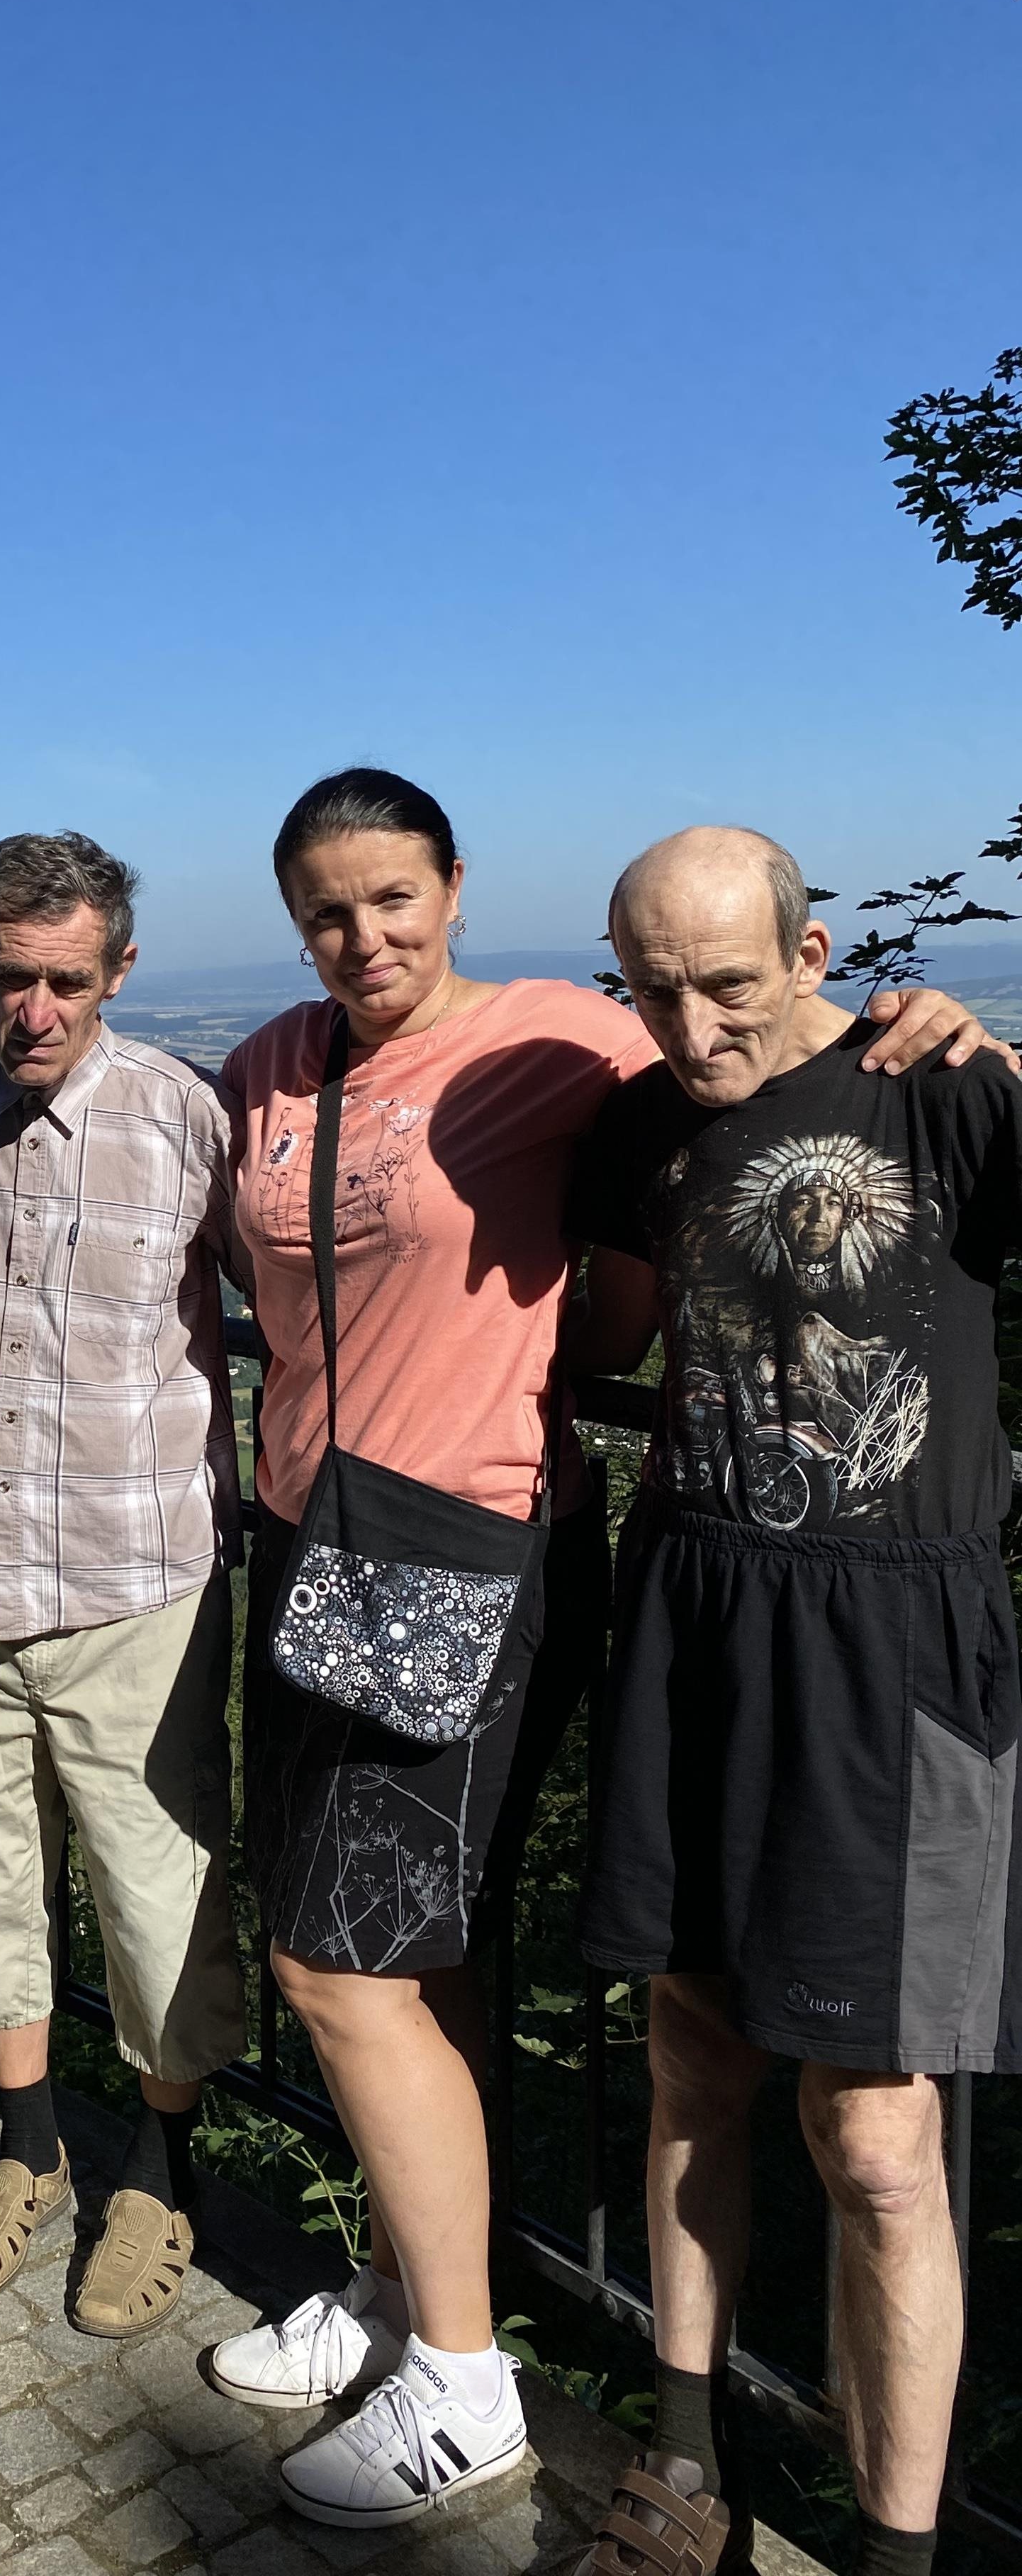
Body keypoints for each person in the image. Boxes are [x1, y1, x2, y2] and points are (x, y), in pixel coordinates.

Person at [208, 772, 1002, 2535]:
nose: (694, 1026)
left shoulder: (829, 1077)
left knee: (867, 2140)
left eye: (395, 897)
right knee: (563, 2014)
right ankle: (521, 2363)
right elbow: (603, 1298)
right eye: (328, 909)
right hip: (558, 1588)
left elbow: (660, 1274)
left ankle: (502, 2394)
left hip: (691, 1599)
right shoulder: (390, 1076)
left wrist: (958, 1032)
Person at [566, 827, 1022, 2576]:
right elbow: (610, 1338)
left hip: (896, 1654)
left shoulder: (943, 1093)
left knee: (882, 2141)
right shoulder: (640, 1127)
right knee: (694, 2056)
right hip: (697, 1617)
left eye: (731, 986)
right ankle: (685, 2467)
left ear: (814, 952)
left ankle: (895, 2552)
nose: (695, 1030)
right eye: (654, 991)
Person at [0, 831, 246, 2335]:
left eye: (68, 982)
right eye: (13, 977)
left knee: (155, 1897)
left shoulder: (181, 1116)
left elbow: (274, 1307)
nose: (36, 1010)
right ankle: (26, 2150)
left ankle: (155, 2176)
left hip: (133, 1584)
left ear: (118, 972)